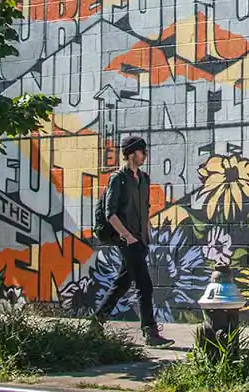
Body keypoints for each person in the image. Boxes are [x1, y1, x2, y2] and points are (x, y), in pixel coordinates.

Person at [91, 135, 174, 348]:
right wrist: (127, 236)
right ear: (130, 154)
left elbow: (145, 209)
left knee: (122, 283)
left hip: (141, 240)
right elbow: (110, 213)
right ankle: (150, 332)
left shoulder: (144, 178)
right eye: (141, 151)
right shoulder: (118, 179)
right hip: (127, 240)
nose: (145, 155)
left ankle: (96, 321)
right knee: (144, 285)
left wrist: (146, 235)